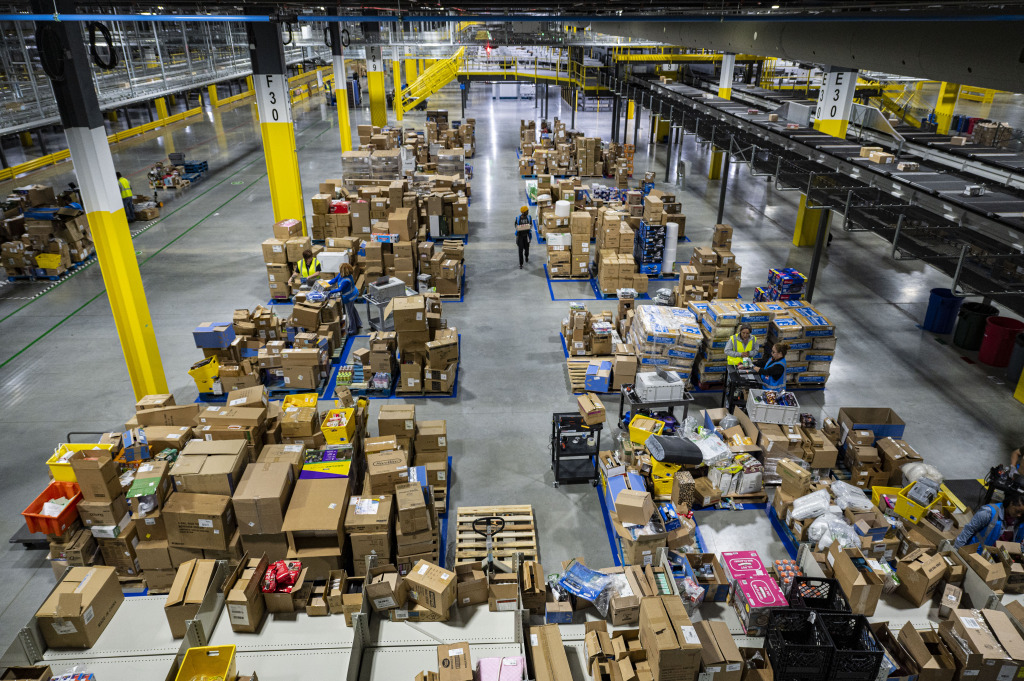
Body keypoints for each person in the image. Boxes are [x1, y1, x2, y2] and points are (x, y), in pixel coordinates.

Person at [954, 492, 1024, 551]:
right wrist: (957, 549)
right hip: (975, 552)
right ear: (1011, 503)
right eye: (1017, 511)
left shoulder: (1018, 521)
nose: (1019, 515)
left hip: (994, 555)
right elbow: (969, 530)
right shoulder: (988, 512)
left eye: (1022, 513)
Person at [325, 262, 361, 335]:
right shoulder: (341, 274)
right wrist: (325, 284)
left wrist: (330, 292)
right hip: (350, 295)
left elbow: (340, 289)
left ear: (343, 271)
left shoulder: (346, 280)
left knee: (350, 313)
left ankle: (353, 330)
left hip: (349, 297)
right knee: (352, 309)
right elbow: (334, 280)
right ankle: (358, 323)